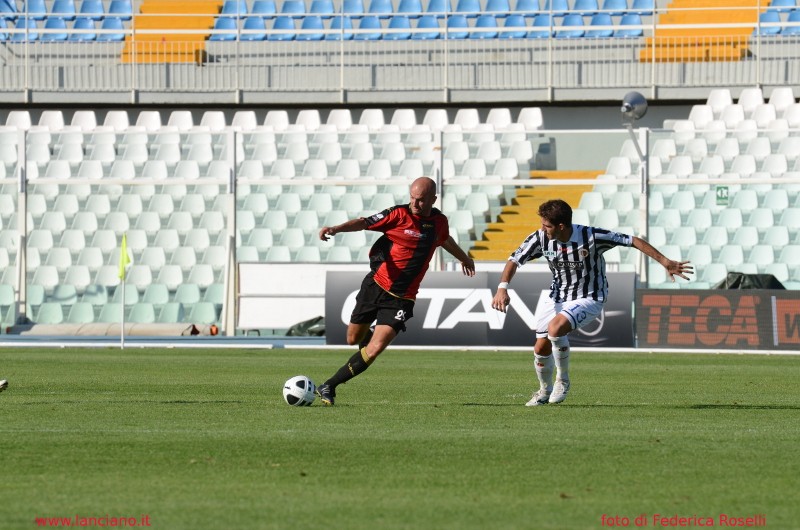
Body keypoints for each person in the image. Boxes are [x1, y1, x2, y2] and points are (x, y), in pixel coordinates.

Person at [491, 199, 693, 407]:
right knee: (541, 347)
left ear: (561, 226)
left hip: (589, 297)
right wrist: (502, 287)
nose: (543, 228)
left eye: (547, 225)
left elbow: (632, 240)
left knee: (555, 328)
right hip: (556, 297)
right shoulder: (541, 238)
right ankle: (544, 391)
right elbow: (514, 259)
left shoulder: (592, 236)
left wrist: (665, 262)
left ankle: (563, 380)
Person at [315, 176, 476, 406]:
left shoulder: (439, 222)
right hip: (376, 286)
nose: (414, 203)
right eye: (412, 198)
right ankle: (365, 342)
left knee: (375, 349)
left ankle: (329, 385)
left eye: (420, 200)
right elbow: (364, 222)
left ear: (433, 199)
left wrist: (464, 258)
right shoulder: (398, 215)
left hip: (402, 299)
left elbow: (445, 240)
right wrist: (336, 229)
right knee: (353, 339)